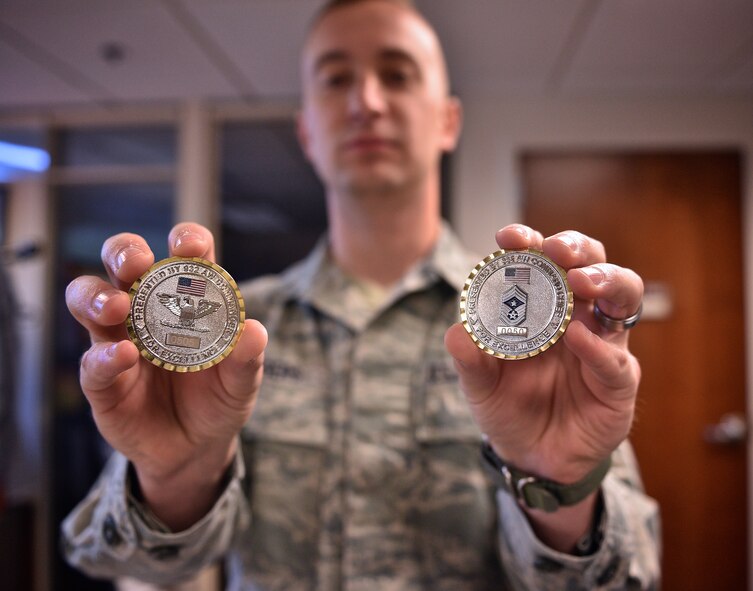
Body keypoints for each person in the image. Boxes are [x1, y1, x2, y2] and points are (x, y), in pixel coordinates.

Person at [62, 0, 660, 588]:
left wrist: (559, 488)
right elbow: (106, 559)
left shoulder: (534, 335)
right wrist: (173, 478)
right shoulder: (232, 338)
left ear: (448, 121)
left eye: (397, 75)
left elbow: (633, 577)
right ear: (305, 130)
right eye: (336, 78)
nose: (366, 102)